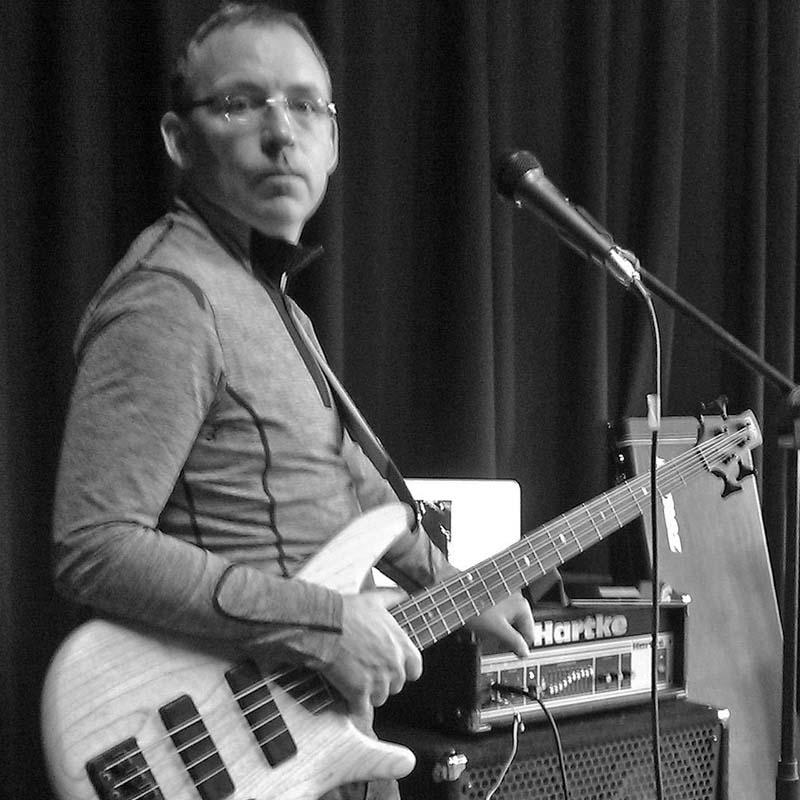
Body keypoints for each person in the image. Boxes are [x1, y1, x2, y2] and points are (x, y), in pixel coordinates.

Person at [51, 4, 535, 799]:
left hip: (314, 736)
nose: (282, 133)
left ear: (334, 142)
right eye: (241, 103)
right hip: (226, 751)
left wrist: (455, 586)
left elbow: (352, 486)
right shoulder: (168, 299)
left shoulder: (273, 305)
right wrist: (327, 624)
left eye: (307, 106)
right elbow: (94, 546)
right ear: (178, 139)